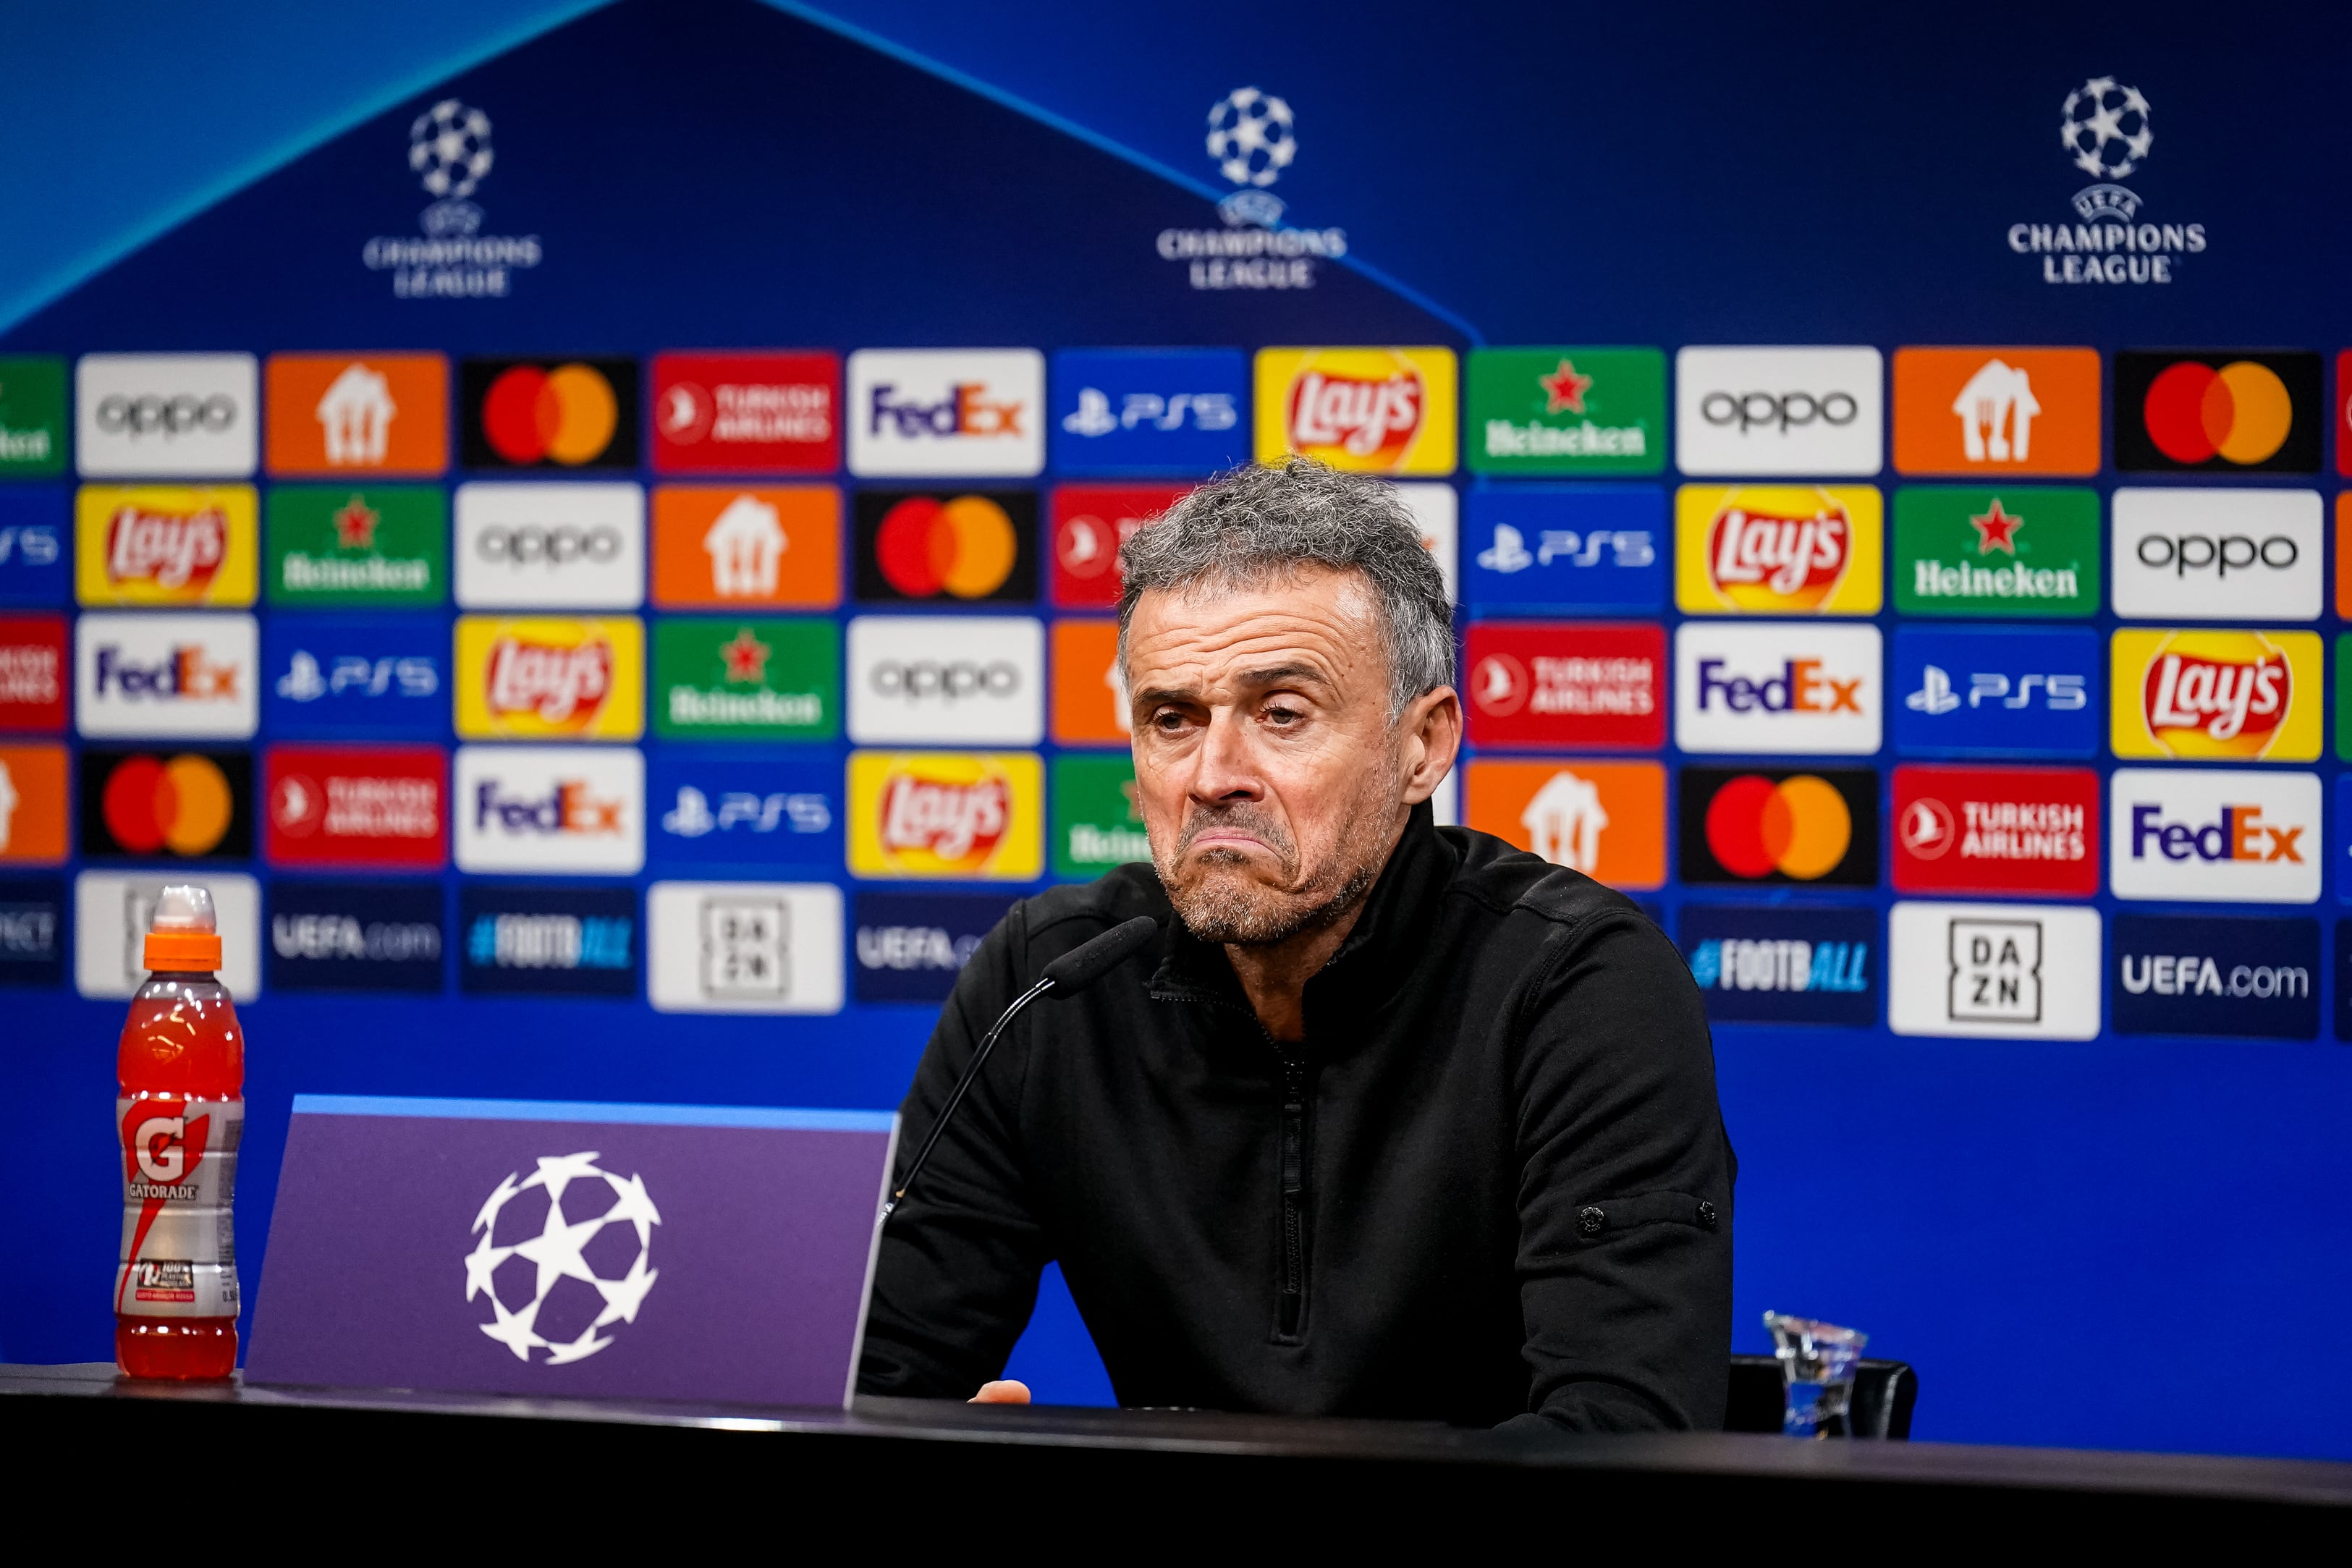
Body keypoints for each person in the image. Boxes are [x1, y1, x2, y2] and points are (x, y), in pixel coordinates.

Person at [857, 458, 1733, 1431]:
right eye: (1171, 719)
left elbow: (1625, 1440)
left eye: (1281, 713)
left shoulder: (1577, 982)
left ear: (1423, 746)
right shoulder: (1052, 981)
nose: (1212, 775)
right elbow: (867, 1380)